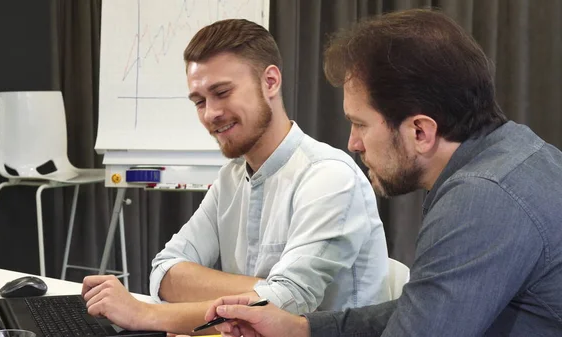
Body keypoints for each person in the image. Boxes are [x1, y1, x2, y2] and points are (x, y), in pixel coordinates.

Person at [201, 9, 562, 337]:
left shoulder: (482, 198)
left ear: (420, 131)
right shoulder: (517, 150)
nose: (353, 143)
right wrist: (301, 328)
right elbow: (422, 308)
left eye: (360, 125)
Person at [81, 18, 390, 335]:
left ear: (270, 82)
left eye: (222, 92)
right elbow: (164, 271)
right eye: (199, 101)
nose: (210, 113)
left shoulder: (330, 178)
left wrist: (145, 315)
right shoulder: (230, 180)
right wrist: (265, 291)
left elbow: (281, 309)